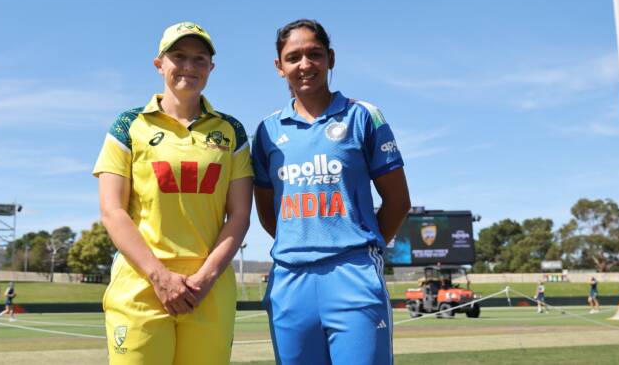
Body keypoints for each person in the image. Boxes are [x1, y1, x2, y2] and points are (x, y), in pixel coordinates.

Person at [252, 19, 411, 365]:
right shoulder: (266, 131)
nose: (305, 64)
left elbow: (398, 202)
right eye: (293, 57)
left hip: (353, 274)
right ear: (279, 66)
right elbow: (267, 211)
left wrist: (361, 247)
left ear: (331, 58)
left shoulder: (364, 116)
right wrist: (302, 241)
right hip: (290, 281)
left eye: (315, 54)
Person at [94, 21, 253, 364]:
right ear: (159, 63)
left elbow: (240, 214)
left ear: (211, 68)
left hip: (208, 289)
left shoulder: (231, 130)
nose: (189, 66)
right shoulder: (129, 124)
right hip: (141, 285)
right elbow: (112, 211)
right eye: (179, 56)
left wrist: (205, 279)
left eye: (199, 59)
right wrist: (160, 277)